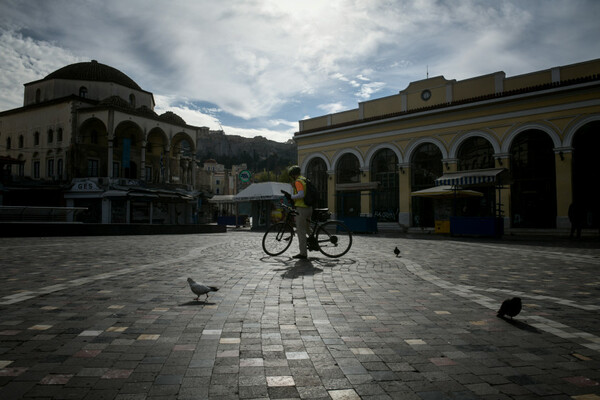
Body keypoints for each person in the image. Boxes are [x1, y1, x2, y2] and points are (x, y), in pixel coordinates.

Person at [285, 165, 313, 259]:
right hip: (309, 208)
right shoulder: (304, 179)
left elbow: (301, 194)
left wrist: (292, 197)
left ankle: (303, 253)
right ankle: (314, 242)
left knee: (301, 231)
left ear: (293, 175)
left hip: (301, 209)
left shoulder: (298, 181)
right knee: (308, 228)